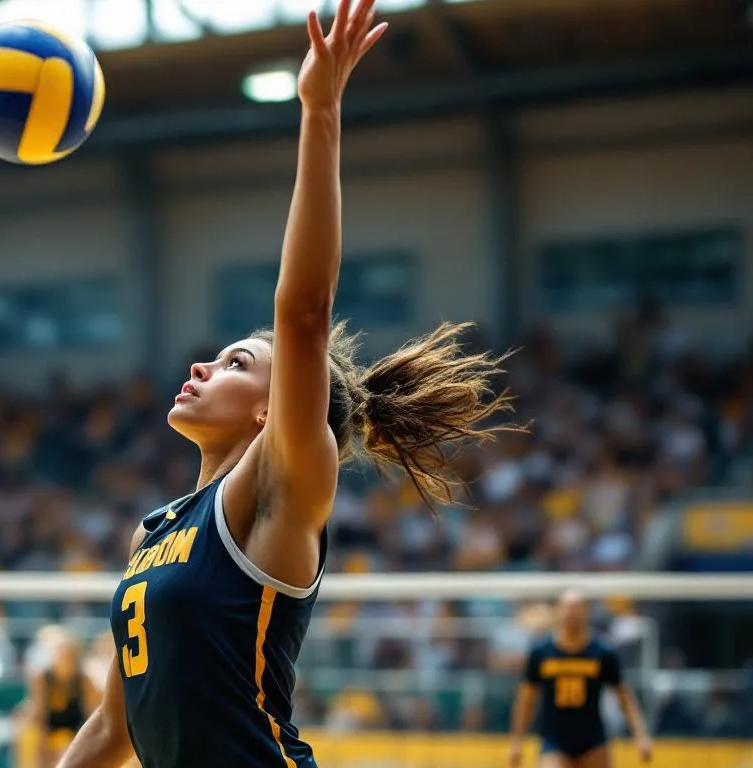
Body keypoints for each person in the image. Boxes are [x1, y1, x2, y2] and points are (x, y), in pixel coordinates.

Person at [57, 1, 516, 765]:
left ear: (276, 410)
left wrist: (320, 111)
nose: (202, 365)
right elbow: (113, 728)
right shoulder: (156, 530)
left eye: (238, 362)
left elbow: (303, 311)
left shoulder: (286, 481)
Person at [510, 590, 653, 768]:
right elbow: (526, 699)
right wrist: (516, 741)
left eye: (577, 608)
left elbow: (624, 697)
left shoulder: (603, 652)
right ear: (558, 611)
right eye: (567, 608)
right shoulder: (541, 652)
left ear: (587, 612)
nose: (572, 613)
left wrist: (641, 735)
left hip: (594, 742)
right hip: (554, 741)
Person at [30, 630, 100, 767]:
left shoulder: (84, 680)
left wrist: (83, 743)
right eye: (60, 654)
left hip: (75, 730)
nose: (63, 659)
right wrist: (43, 743)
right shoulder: (42, 678)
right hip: (49, 729)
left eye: (68, 656)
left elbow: (92, 714)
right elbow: (40, 714)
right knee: (30, 736)